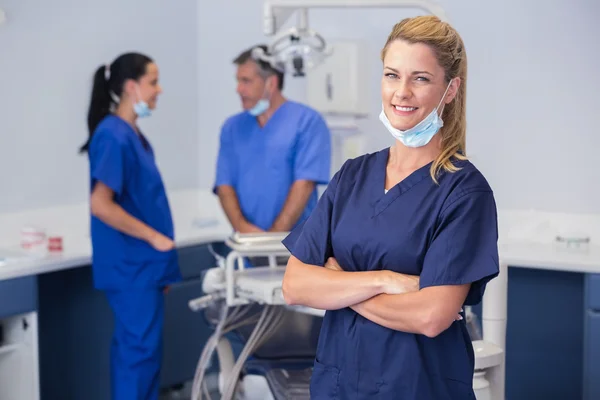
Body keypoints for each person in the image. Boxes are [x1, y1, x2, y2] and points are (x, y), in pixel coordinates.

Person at [281, 15, 500, 399]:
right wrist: (385, 280)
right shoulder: (352, 175)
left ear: (450, 90)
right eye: (391, 75)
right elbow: (296, 285)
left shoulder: (464, 192)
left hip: (416, 385)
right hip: (339, 383)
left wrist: (339, 283)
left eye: (421, 78)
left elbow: (430, 317)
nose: (402, 92)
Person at [79, 52, 181, 400]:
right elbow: (100, 204)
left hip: (144, 268)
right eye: (153, 82)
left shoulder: (132, 136)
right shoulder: (113, 135)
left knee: (145, 356)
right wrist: (154, 239)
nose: (159, 90)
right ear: (130, 86)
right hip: (132, 267)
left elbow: (143, 202)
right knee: (137, 358)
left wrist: (161, 264)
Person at [213, 44, 332, 235]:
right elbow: (224, 185)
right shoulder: (233, 128)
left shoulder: (307, 122)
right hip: (246, 244)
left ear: (271, 83)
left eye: (246, 81)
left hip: (294, 244)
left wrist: (272, 239)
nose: (238, 89)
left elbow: (304, 185)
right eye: (238, 81)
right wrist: (244, 231)